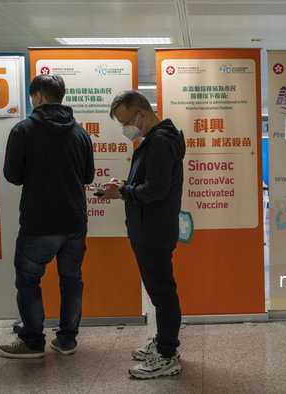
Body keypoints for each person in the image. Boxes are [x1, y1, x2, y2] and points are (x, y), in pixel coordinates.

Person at [0, 74, 95, 358]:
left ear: (38, 97)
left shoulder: (23, 130)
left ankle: (33, 342)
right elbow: (88, 176)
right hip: (74, 222)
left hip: (37, 222)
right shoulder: (80, 133)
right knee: (71, 280)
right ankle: (66, 341)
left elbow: (12, 176)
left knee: (29, 281)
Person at [99, 90, 185, 379]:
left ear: (142, 114)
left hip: (154, 229)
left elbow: (156, 190)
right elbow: (151, 182)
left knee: (162, 293)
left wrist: (122, 191)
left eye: (126, 122)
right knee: (160, 291)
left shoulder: (160, 141)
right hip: (150, 226)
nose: (126, 129)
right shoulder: (156, 140)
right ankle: (164, 343)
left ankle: (167, 355)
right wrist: (126, 184)